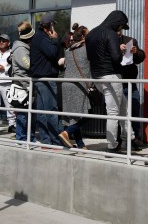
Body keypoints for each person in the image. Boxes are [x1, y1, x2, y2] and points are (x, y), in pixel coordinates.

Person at [86, 10, 134, 152]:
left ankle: (129, 138)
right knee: (113, 112)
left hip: (97, 76)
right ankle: (112, 146)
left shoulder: (91, 34)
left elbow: (89, 57)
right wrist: (124, 52)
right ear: (118, 24)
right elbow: (116, 58)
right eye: (121, 27)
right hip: (111, 76)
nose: (121, 31)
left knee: (124, 107)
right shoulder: (110, 33)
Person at [30, 12, 64, 146]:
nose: (54, 29)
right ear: (49, 26)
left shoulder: (37, 37)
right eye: (53, 26)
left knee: (42, 111)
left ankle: (46, 140)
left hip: (40, 78)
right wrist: (55, 40)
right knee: (51, 110)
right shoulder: (43, 38)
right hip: (46, 78)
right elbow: (52, 53)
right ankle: (54, 141)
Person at [60, 24, 91, 148]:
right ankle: (66, 133)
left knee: (74, 116)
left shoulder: (68, 50)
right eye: (88, 34)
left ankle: (80, 144)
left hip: (67, 84)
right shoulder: (87, 48)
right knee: (89, 114)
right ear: (83, 36)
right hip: (79, 85)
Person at [118, 30, 146, 149]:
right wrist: (117, 49)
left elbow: (141, 58)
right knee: (119, 114)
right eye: (116, 29)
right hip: (117, 83)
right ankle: (118, 142)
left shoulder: (130, 40)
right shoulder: (109, 41)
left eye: (120, 29)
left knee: (134, 111)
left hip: (131, 83)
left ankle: (136, 141)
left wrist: (136, 52)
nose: (118, 32)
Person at [12, 22, 36, 143]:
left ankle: (29, 137)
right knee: (22, 114)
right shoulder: (21, 48)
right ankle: (21, 138)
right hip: (22, 85)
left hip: (26, 84)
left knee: (28, 114)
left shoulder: (21, 47)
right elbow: (28, 64)